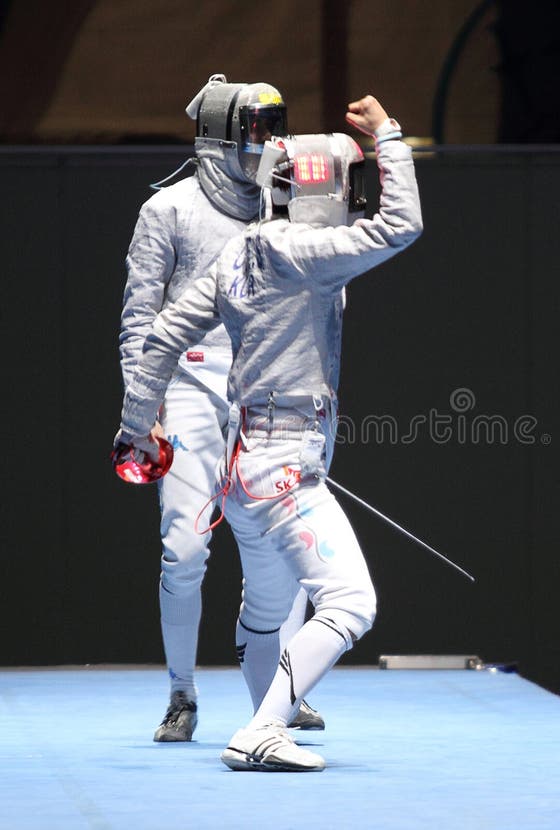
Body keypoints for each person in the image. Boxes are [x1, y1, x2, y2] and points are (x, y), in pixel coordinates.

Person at [115, 94, 423, 771]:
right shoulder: (312, 255)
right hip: (284, 470)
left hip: (242, 473)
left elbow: (163, 336)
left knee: (272, 604)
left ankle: (266, 719)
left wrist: (136, 426)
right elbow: (402, 223)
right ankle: (256, 728)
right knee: (350, 600)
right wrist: (389, 137)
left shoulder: (235, 255)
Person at [119, 73, 323, 742]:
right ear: (221, 136)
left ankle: (280, 688)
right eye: (258, 129)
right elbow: (139, 320)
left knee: (285, 552)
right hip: (185, 391)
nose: (270, 142)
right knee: (183, 551)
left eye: (274, 127)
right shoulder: (168, 210)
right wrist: (140, 409)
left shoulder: (284, 208)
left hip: (266, 395)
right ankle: (182, 694)